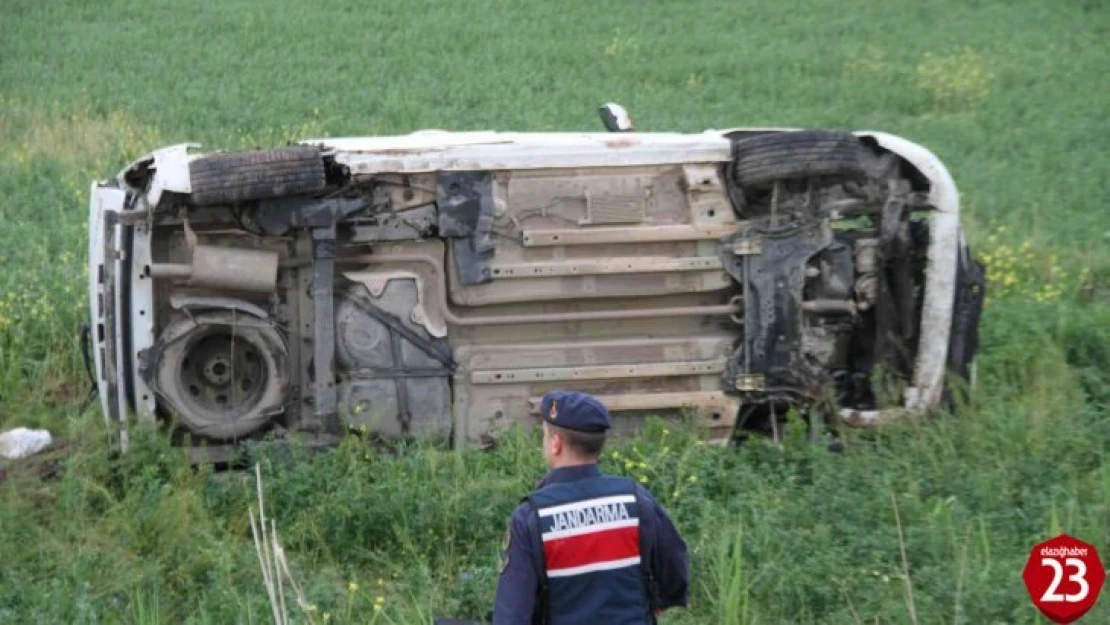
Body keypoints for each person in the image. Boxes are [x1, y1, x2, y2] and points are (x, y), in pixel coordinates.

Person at [492, 390, 689, 625]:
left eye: (544, 436)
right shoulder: (635, 499)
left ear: (555, 444)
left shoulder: (532, 516)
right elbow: (675, 565)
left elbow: (512, 615)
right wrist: (657, 602)